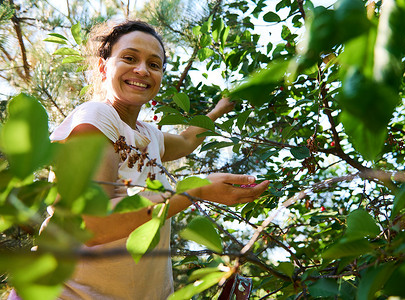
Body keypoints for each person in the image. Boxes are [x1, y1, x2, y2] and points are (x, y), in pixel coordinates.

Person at [44, 20, 269, 300]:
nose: (142, 70)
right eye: (129, 58)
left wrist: (221, 107)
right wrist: (194, 189)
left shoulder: (147, 135)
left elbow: (186, 141)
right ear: (103, 68)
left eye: (154, 64)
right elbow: (90, 224)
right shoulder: (96, 117)